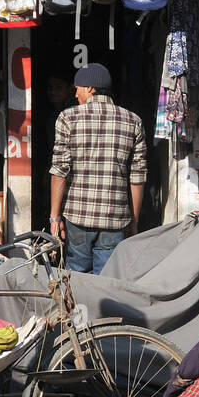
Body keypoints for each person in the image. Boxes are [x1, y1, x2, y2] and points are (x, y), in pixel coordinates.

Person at [48, 63, 147, 274]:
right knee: (107, 278)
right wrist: (134, 221)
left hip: (78, 215)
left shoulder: (68, 118)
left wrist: (55, 217)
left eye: (78, 89)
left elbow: (59, 170)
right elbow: (137, 177)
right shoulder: (134, 121)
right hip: (116, 216)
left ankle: (79, 308)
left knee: (76, 274)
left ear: (90, 89)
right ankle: (102, 308)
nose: (75, 95)